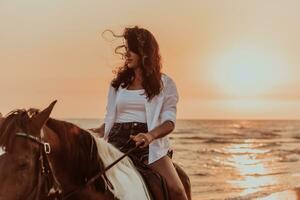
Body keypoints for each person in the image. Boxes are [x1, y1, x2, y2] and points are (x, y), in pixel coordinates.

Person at [92, 26, 187, 200]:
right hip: (115, 143)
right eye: (126, 50)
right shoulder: (117, 85)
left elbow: (169, 122)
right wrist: (97, 131)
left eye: (132, 50)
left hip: (148, 146)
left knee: (177, 191)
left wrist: (150, 136)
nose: (127, 54)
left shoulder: (165, 84)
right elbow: (111, 118)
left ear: (145, 53)